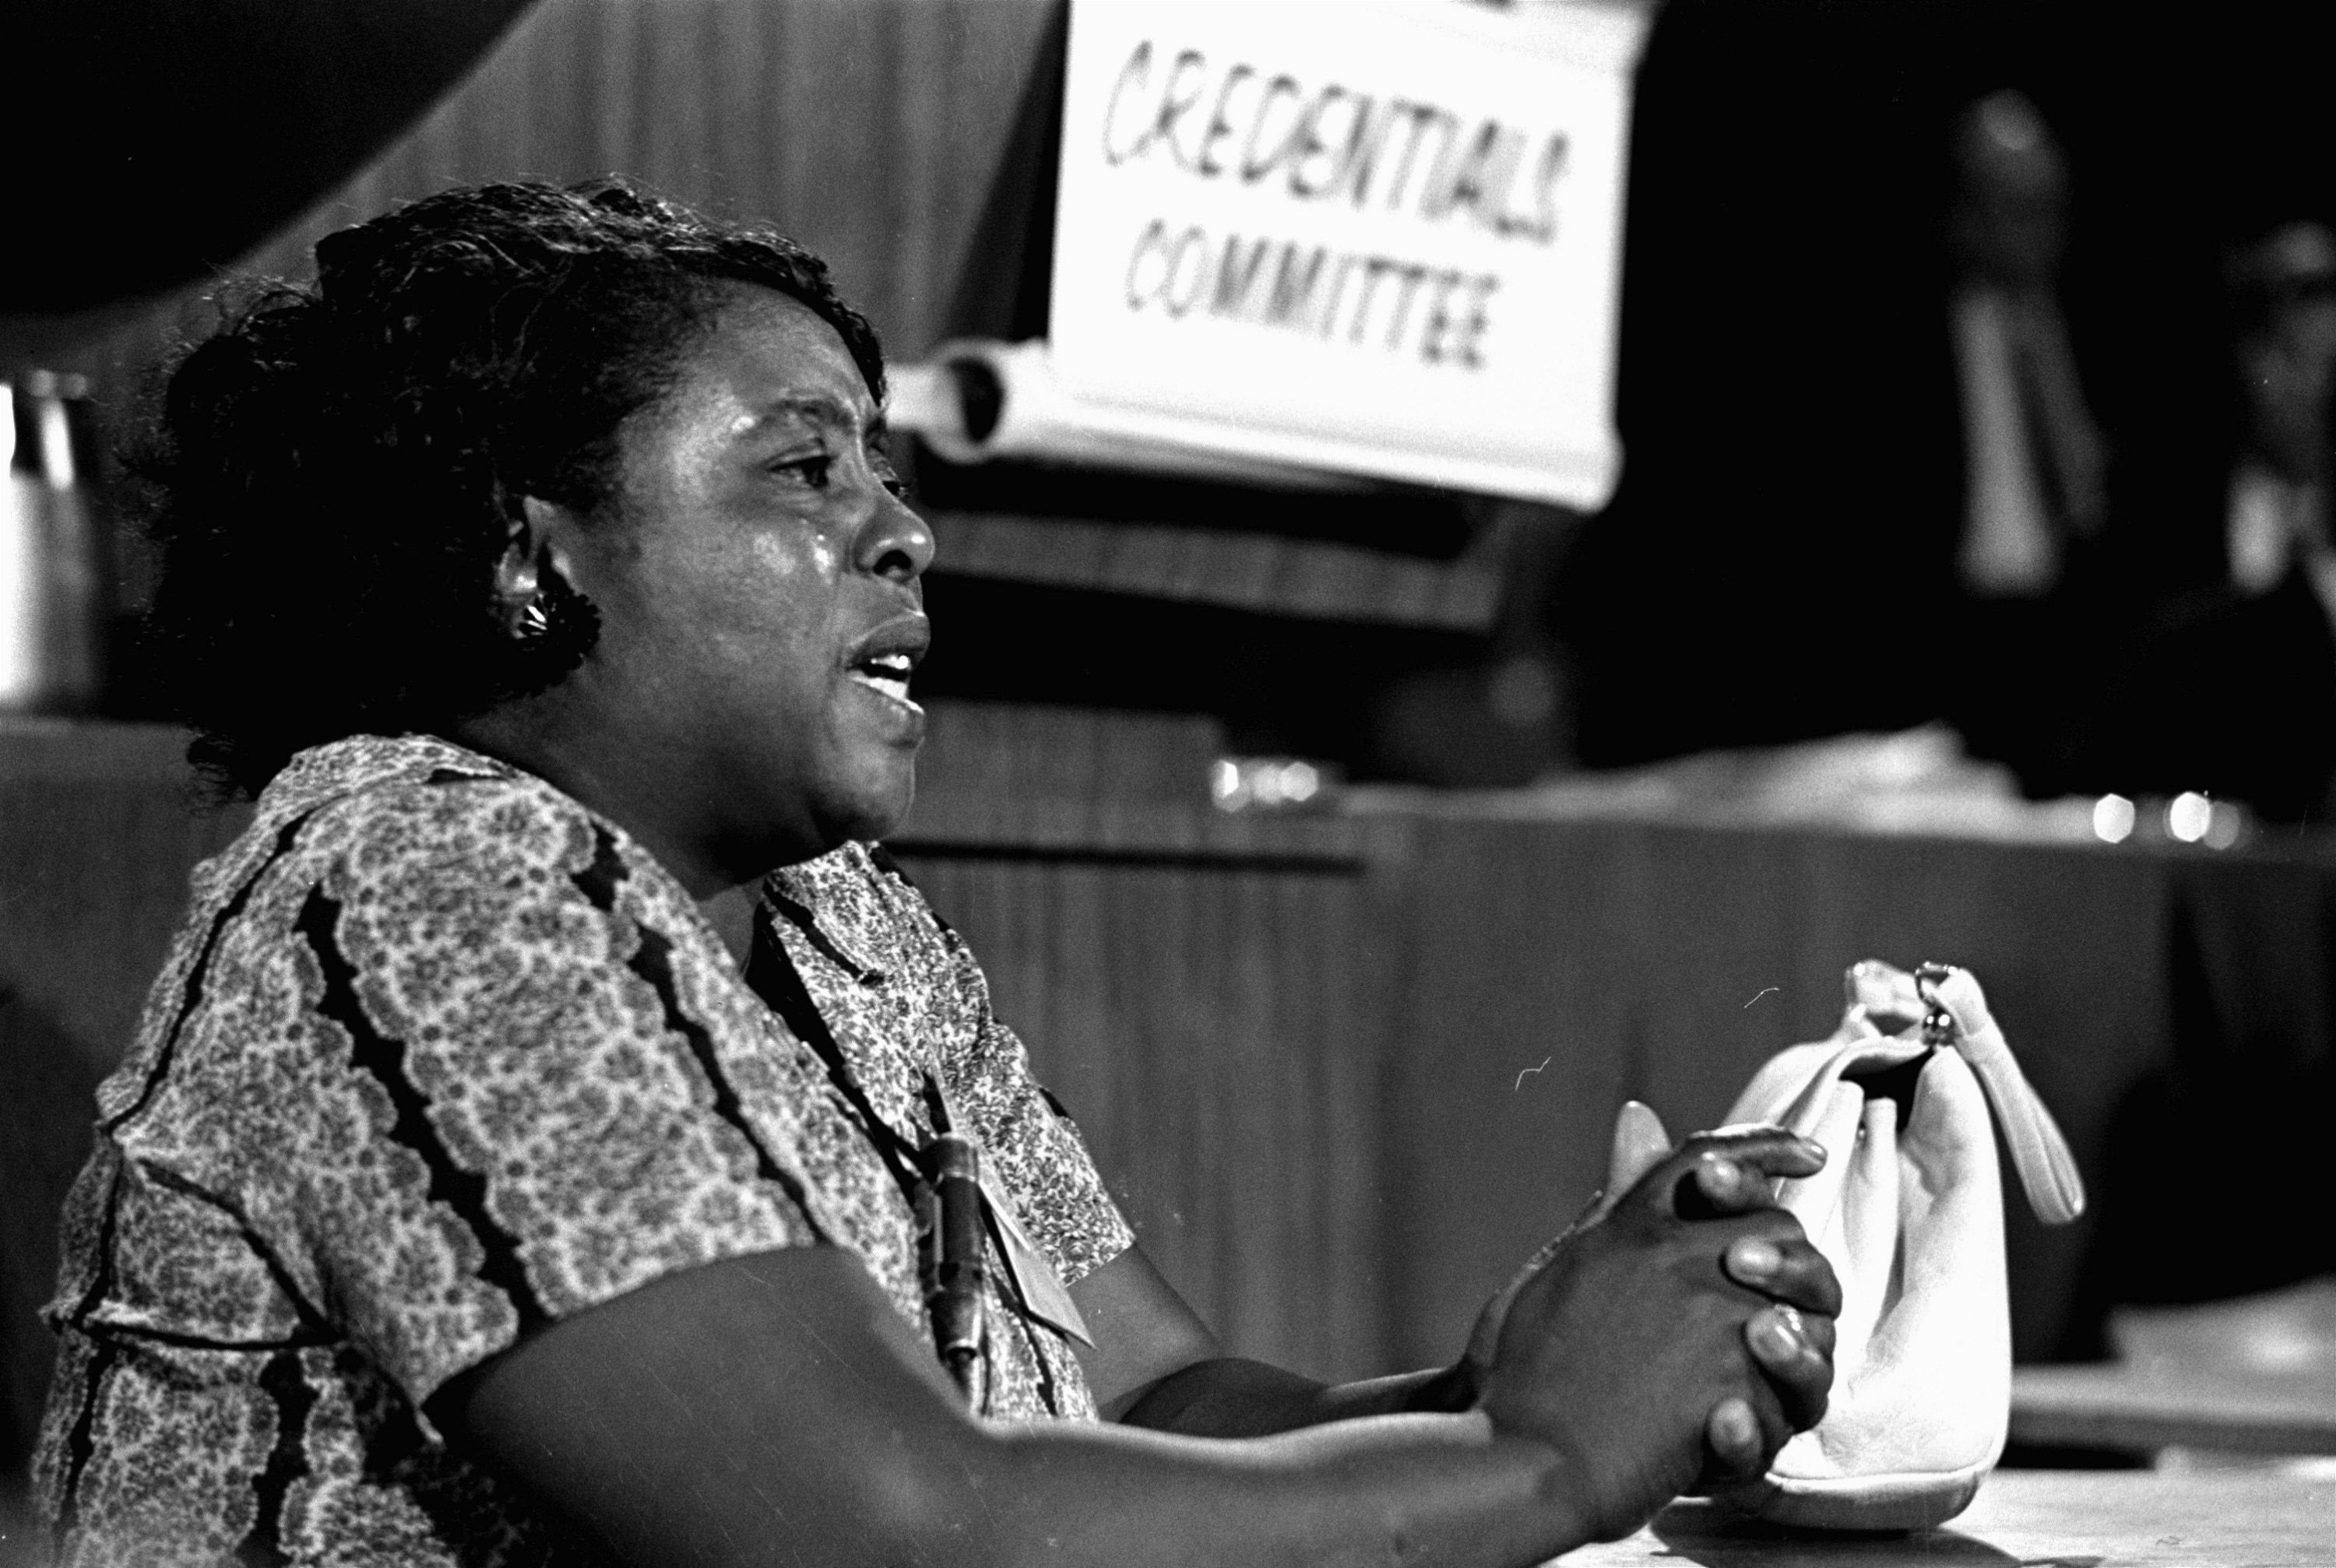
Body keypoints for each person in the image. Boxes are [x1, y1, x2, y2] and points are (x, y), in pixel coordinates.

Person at [34, 179, 1838, 1565]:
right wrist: (1534, 1460)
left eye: (882, 466)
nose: (901, 526)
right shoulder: (421, 870)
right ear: (533, 553)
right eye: (803, 468)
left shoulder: (841, 924)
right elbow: (894, 1531)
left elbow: (1152, 1399)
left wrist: (1521, 1363)